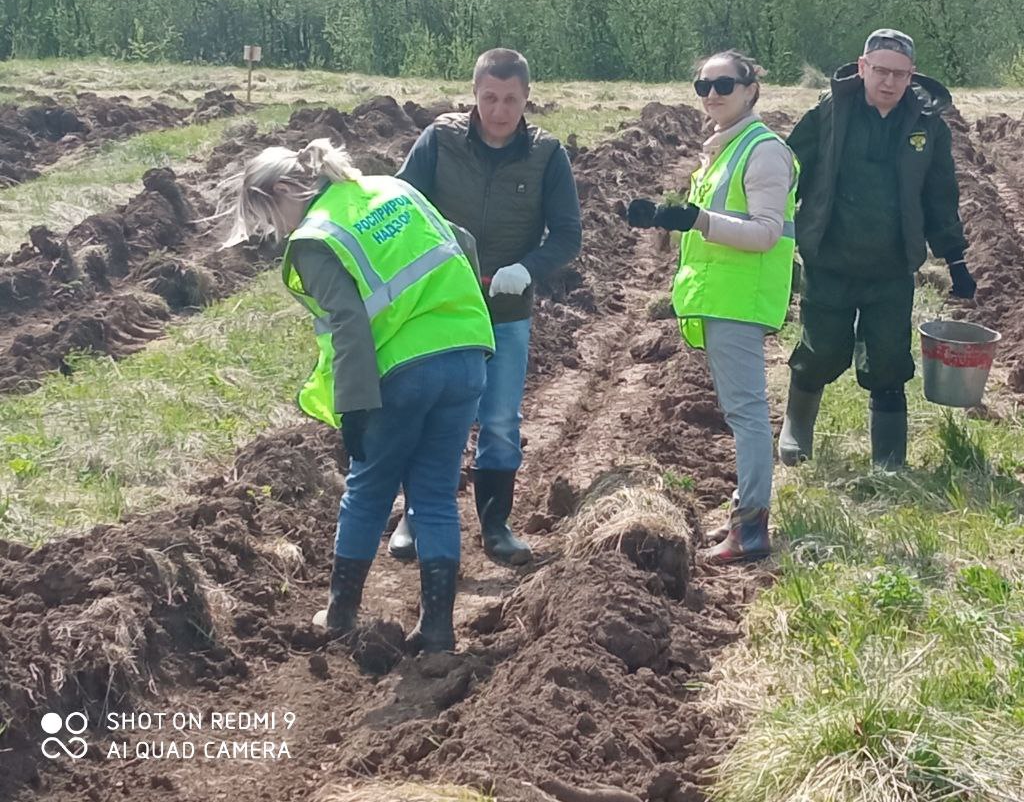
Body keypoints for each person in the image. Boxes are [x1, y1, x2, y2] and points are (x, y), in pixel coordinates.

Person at [221, 139, 494, 653]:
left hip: (402, 374)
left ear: (285, 190)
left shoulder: (316, 238)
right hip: (465, 357)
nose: (276, 231)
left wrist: (353, 407)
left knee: (368, 490)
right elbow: (464, 242)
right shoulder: (391, 189)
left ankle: (340, 614)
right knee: (435, 494)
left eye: (268, 217)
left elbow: (348, 323)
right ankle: (437, 630)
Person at [395, 49, 582, 565]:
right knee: (430, 414)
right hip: (438, 307)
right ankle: (415, 515)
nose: (500, 111)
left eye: (511, 100)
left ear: (527, 98)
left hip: (505, 311)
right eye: (490, 98)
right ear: (474, 95)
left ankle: (496, 525)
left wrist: (526, 268)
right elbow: (401, 207)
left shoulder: (546, 155)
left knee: (499, 418)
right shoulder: (439, 140)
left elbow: (567, 235)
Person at [626, 51, 797, 563]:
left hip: (739, 299)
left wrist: (698, 220)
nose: (713, 94)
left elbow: (765, 233)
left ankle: (751, 530)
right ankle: (745, 515)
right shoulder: (725, 148)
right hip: (722, 296)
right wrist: (668, 216)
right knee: (741, 410)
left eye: (725, 84)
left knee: (747, 412)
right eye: (704, 86)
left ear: (751, 90)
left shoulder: (763, 151)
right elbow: (708, 219)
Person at [779, 29, 975, 469]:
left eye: (900, 74)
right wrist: (765, 223)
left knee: (889, 359)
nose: (889, 82)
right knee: (822, 350)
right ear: (862, 67)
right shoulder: (830, 114)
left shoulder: (927, 125)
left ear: (912, 75)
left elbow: (940, 195)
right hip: (830, 258)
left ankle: (889, 459)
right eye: (881, 71)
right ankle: (797, 426)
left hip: (891, 266)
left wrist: (956, 259)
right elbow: (789, 171)